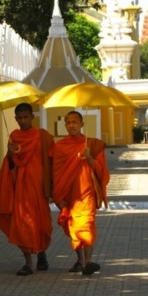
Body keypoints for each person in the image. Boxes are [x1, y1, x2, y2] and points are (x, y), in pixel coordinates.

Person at [0, 103, 54, 275]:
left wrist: (53, 187)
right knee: (23, 223)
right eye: (20, 118)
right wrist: (10, 155)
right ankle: (28, 262)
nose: (23, 121)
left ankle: (42, 253)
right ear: (15, 118)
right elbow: (10, 165)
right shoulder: (14, 137)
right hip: (21, 189)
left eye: (26, 117)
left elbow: (52, 162)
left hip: (39, 189)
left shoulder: (42, 136)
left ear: (32, 117)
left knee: (41, 224)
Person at [52, 111, 110, 276]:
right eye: (68, 123)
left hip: (87, 193)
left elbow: (102, 172)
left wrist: (90, 158)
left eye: (75, 122)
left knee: (87, 225)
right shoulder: (61, 146)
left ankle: (88, 261)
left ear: (82, 124)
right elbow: (56, 173)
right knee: (75, 228)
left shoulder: (92, 145)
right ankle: (81, 261)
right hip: (69, 194)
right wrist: (58, 196)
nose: (71, 126)